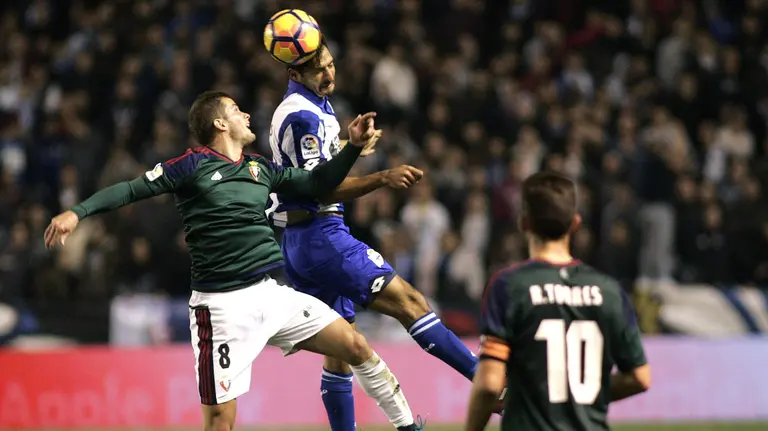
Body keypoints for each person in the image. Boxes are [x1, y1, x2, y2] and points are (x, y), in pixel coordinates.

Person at [44, 91, 425, 431]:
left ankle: (408, 427)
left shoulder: (259, 168)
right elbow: (131, 189)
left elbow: (315, 185)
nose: (246, 115)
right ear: (219, 122)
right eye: (236, 109)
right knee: (221, 423)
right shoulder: (190, 166)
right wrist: (77, 212)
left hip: (270, 294)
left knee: (356, 346)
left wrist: (353, 148)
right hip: (221, 309)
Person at [269, 41, 490, 431]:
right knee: (411, 302)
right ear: (293, 74)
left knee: (341, 350)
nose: (329, 74)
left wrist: (348, 148)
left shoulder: (311, 106)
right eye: (319, 69)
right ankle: (493, 388)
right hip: (322, 236)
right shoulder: (302, 116)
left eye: (331, 65)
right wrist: (382, 177)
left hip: (300, 240)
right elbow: (319, 188)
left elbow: (311, 171)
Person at [465, 171, 652, 431]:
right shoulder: (609, 291)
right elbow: (639, 377)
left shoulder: (508, 286)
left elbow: (489, 385)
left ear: (524, 223)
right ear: (575, 223)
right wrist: (579, 396)